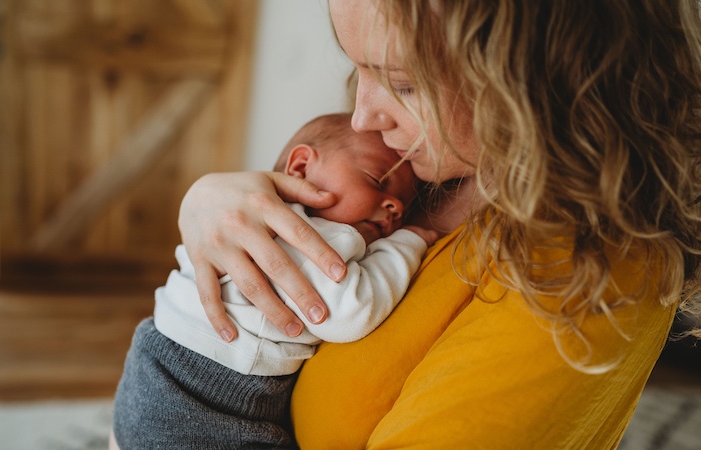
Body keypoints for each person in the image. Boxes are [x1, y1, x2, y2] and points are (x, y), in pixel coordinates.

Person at [175, 0, 701, 448]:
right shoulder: (417, 172)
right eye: (360, 70)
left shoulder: (588, 266)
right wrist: (211, 201)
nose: (362, 117)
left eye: (402, 84)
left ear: (530, 80)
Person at [109, 113, 439, 449]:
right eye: (375, 180)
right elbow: (350, 313)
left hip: (155, 364)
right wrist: (408, 241)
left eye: (405, 207)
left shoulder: (246, 215)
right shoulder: (312, 234)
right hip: (207, 392)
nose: (395, 206)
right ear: (300, 168)